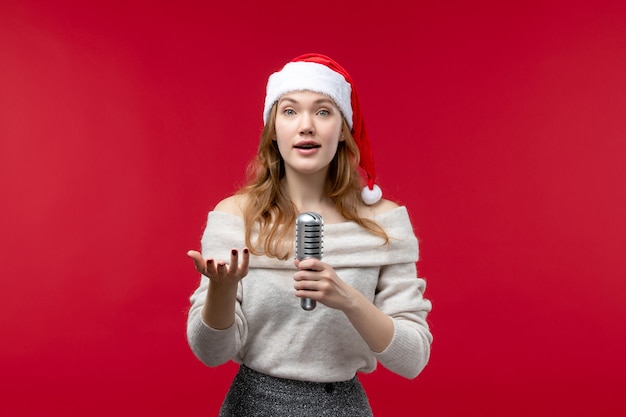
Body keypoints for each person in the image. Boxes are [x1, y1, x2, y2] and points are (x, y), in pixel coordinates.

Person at [186, 53, 432, 416]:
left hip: (342, 406)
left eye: (322, 111)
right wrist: (221, 291)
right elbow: (211, 353)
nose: (306, 126)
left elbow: (413, 359)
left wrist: (348, 299)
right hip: (252, 405)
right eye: (289, 111)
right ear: (273, 130)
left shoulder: (383, 224)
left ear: (343, 128)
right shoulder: (234, 217)